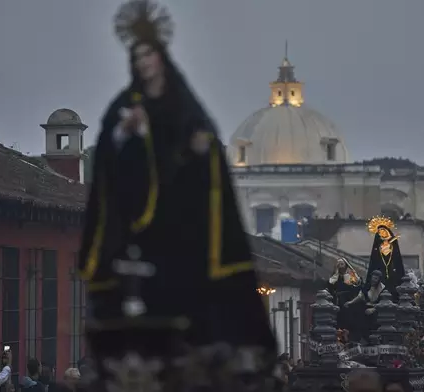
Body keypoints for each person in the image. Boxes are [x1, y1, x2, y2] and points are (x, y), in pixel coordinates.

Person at [78, 0, 276, 389]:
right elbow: (107, 158)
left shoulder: (184, 107)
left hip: (183, 221)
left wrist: (198, 150)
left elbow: (203, 156)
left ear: (161, 56)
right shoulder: (123, 107)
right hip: (137, 221)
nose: (144, 63)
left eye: (149, 54)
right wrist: (129, 135)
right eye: (137, 56)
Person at [365, 216, 405, 298]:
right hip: (380, 274)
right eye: (380, 232)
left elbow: (398, 261)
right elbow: (374, 262)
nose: (382, 233)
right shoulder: (377, 247)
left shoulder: (393, 245)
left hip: (393, 274)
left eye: (384, 231)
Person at [344, 270, 388, 341]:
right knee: (355, 310)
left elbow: (384, 302)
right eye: (373, 278)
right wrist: (351, 302)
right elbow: (360, 296)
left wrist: (373, 309)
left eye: (376, 279)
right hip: (366, 307)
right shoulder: (367, 286)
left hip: (378, 310)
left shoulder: (383, 289)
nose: (373, 280)